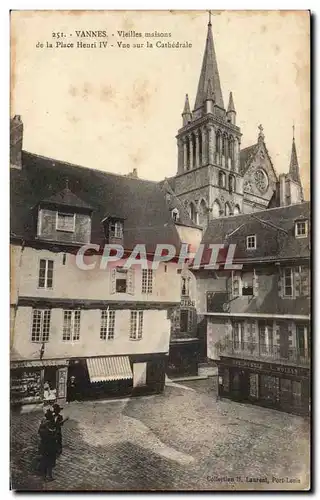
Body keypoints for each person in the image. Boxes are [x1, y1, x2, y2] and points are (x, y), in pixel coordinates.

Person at [38, 409, 58, 481]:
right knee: (49, 462)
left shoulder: (43, 424)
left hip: (44, 446)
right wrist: (54, 436)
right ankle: (48, 476)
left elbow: (40, 432)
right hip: (49, 446)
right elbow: (52, 435)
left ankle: (47, 476)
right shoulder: (49, 425)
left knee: (46, 461)